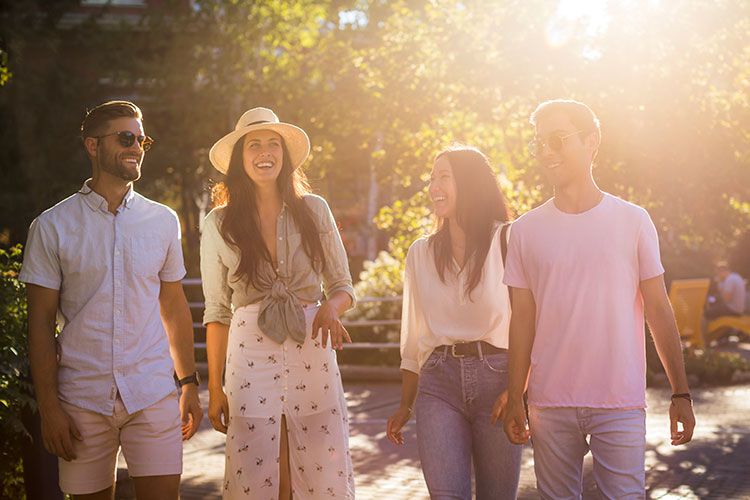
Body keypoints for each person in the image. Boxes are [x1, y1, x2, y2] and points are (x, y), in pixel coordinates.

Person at [497, 99, 696, 499]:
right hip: (549, 403)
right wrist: (516, 394)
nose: (547, 152)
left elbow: (658, 310)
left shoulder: (633, 220)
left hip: (619, 401)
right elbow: (522, 319)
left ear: (592, 142)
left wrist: (681, 392)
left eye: (558, 139)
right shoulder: (524, 231)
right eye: (540, 143)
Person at [20, 100, 203, 500]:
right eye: (125, 138)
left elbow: (173, 308)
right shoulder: (52, 226)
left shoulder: (163, 221)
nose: (136, 147)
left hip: (152, 393)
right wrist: (49, 409)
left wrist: (188, 383)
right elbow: (40, 323)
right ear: (92, 145)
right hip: (80, 402)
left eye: (142, 140)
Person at [201, 107, 356, 499]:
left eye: (274, 144)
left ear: (285, 155)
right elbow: (217, 312)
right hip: (248, 353)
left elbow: (343, 286)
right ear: (240, 157)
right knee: (256, 465)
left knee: (320, 456)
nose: (265, 152)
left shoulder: (314, 209)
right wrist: (215, 389)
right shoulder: (218, 223)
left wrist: (330, 307)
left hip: (311, 347)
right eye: (254, 145)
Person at [386, 145, 522, 500]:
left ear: (471, 183)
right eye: (432, 179)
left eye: (443, 177)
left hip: (499, 382)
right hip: (438, 385)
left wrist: (519, 390)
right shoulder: (420, 252)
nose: (433, 187)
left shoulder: (507, 240)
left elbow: (531, 323)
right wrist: (405, 403)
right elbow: (413, 336)